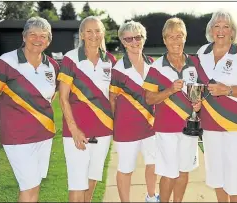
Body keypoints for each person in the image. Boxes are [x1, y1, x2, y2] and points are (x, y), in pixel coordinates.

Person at [0, 17, 59, 202]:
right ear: (24, 36)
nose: (38, 39)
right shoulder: (6, 62)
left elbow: (50, 95)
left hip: (45, 134)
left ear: (48, 40)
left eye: (43, 36)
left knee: (34, 185)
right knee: (28, 186)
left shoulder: (52, 66)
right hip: (17, 137)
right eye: (33, 35)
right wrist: (5, 123)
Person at [196, 10, 237, 202]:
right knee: (216, 173)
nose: (221, 30)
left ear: (232, 31)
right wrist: (195, 101)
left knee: (235, 174)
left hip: (236, 124)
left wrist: (227, 89)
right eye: (217, 26)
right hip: (210, 123)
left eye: (226, 26)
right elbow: (196, 85)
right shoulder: (201, 52)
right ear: (211, 29)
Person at [57, 16, 117, 202]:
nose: (94, 35)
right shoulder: (71, 58)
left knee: (92, 180)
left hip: (104, 130)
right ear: (82, 34)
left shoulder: (111, 60)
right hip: (77, 132)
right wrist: (74, 129)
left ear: (103, 34)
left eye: (97, 31)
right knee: (77, 182)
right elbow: (63, 97)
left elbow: (114, 97)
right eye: (89, 31)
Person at [143, 17, 201, 202]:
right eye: (171, 37)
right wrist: (170, 90)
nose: (176, 41)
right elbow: (149, 97)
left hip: (189, 127)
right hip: (166, 129)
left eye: (179, 36)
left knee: (184, 171)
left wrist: (198, 104)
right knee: (169, 173)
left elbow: (202, 91)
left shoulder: (195, 64)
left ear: (185, 37)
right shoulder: (156, 67)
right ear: (164, 40)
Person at [109, 20, 159, 202]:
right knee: (125, 169)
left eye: (137, 37)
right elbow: (112, 100)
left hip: (151, 125)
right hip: (126, 128)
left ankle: (152, 197)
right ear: (123, 41)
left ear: (143, 39)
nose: (134, 42)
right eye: (129, 39)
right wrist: (116, 124)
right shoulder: (118, 69)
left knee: (153, 165)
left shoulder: (153, 64)